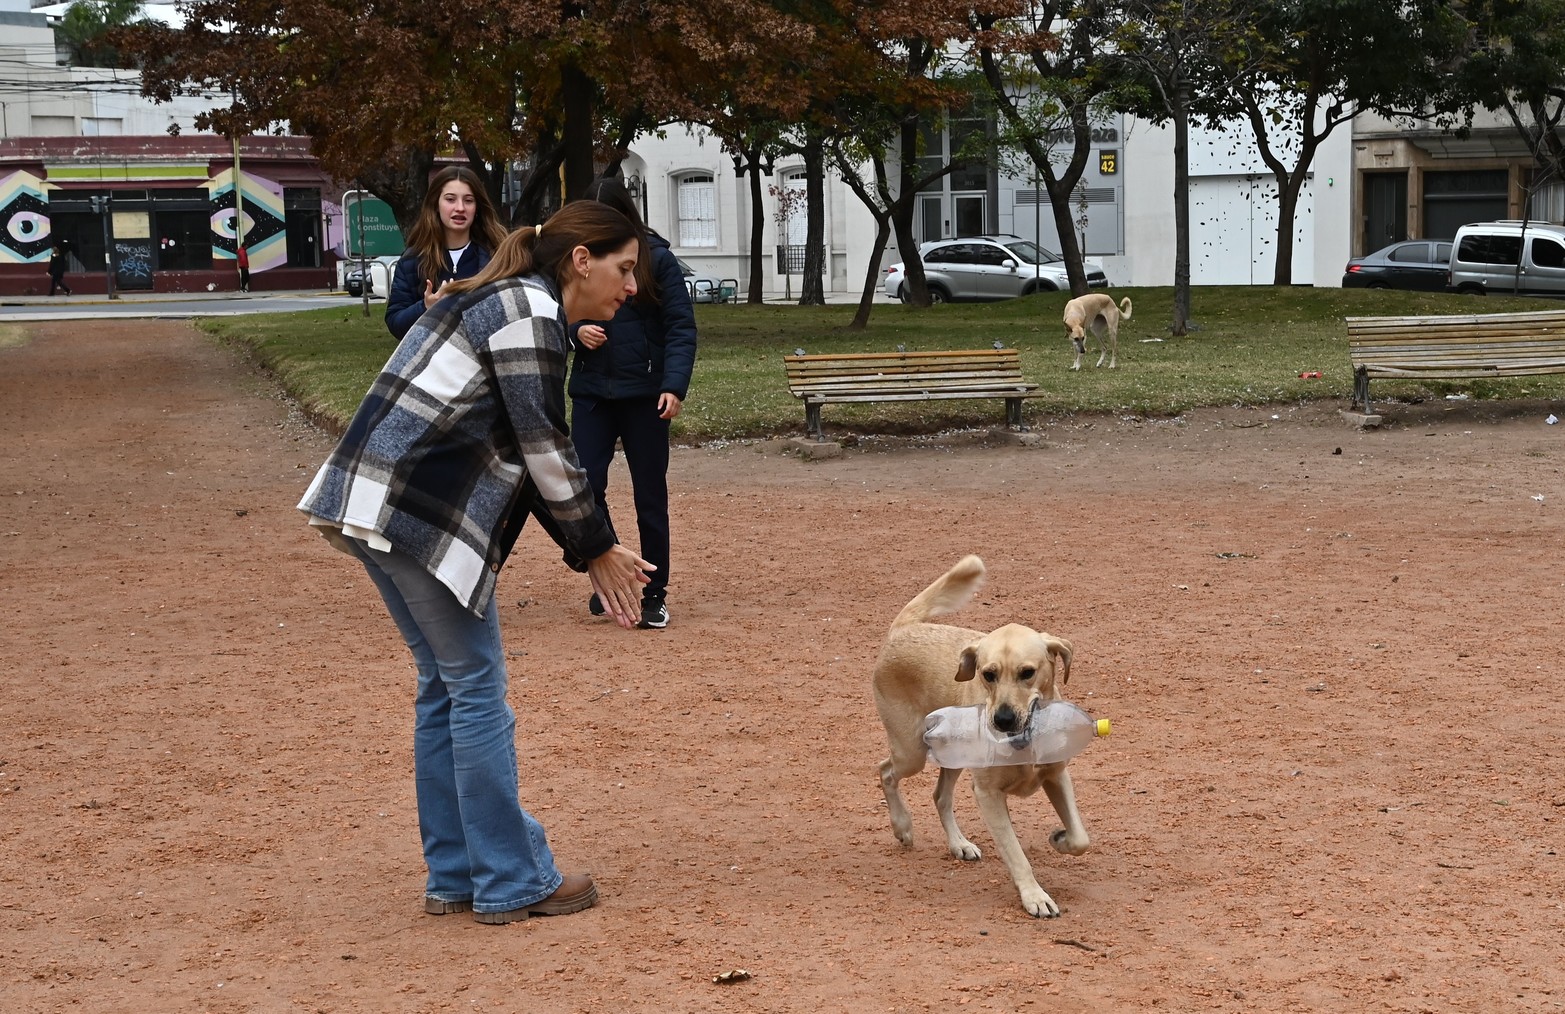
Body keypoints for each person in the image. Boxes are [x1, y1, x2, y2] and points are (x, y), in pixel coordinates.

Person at [297, 201, 653, 924]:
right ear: (581, 260)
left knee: (445, 688)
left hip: (372, 501)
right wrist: (597, 549)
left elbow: (527, 449)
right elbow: (544, 446)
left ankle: (458, 875)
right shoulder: (528, 309)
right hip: (411, 511)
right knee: (475, 689)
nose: (631, 287)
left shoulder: (504, 295)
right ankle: (508, 880)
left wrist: (588, 547)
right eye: (623, 268)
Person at [569, 177, 697, 630]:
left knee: (649, 494)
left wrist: (674, 385)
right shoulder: (579, 259)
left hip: (645, 394)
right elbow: (555, 308)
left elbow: (681, 327)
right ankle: (614, 577)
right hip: (591, 391)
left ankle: (654, 592)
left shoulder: (654, 259)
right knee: (585, 487)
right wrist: (575, 333)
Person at [386, 166, 508, 340]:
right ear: (436, 204)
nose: (460, 208)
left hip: (484, 362)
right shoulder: (412, 260)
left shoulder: (498, 256)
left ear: (477, 207)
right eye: (450, 199)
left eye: (468, 200)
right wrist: (427, 307)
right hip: (433, 363)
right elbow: (395, 323)